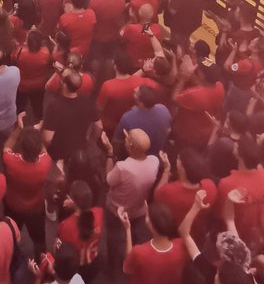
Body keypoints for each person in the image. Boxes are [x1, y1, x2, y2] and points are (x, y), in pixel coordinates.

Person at [102, 129, 160, 263]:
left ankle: (112, 261)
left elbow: (109, 180)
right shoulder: (154, 161)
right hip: (138, 210)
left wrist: (110, 153)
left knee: (113, 236)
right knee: (134, 233)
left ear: (129, 146)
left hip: (116, 211)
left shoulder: (123, 167)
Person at [3, 119, 53, 253]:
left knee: (12, 234)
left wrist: (18, 130)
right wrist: (37, 134)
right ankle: (42, 264)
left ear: (21, 147)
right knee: (39, 240)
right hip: (35, 208)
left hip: (13, 205)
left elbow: (7, 147)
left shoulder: (10, 162)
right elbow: (43, 150)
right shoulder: (45, 163)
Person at [42, 67, 97, 163]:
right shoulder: (88, 102)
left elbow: (47, 139)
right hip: (80, 148)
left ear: (64, 85)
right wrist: (91, 139)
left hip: (58, 151)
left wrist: (43, 148)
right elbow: (99, 126)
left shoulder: (54, 106)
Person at [116, 84, 171, 156]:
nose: (135, 89)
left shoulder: (128, 118)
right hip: (156, 154)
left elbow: (119, 138)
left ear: (141, 103)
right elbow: (168, 130)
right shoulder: (164, 109)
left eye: (136, 93)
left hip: (136, 154)